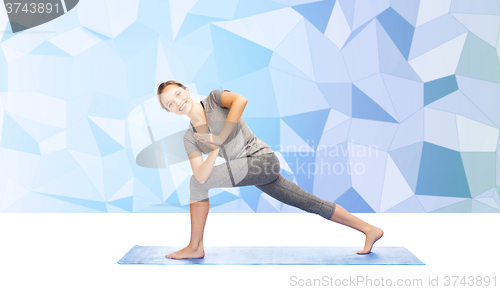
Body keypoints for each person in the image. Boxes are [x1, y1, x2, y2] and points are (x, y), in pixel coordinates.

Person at [157, 80, 384, 259]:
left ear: (186, 90)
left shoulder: (215, 99)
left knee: (195, 184)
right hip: (252, 173)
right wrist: (214, 150)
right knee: (309, 202)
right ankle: (369, 229)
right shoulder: (190, 138)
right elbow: (201, 174)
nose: (177, 102)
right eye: (170, 104)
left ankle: (195, 247)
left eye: (177, 94)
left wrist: (220, 137)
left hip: (262, 161)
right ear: (170, 112)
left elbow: (241, 100)